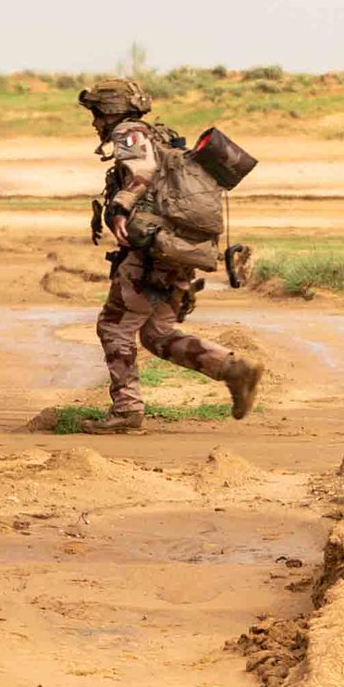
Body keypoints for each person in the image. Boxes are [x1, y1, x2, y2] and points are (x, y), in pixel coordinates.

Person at [80, 76, 259, 430]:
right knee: (157, 332)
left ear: (112, 111)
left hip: (153, 252)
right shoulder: (158, 135)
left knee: (114, 327)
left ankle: (127, 410)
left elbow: (142, 171)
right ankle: (234, 369)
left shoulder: (129, 133)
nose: (95, 122)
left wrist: (120, 205)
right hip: (174, 249)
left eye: (98, 114)